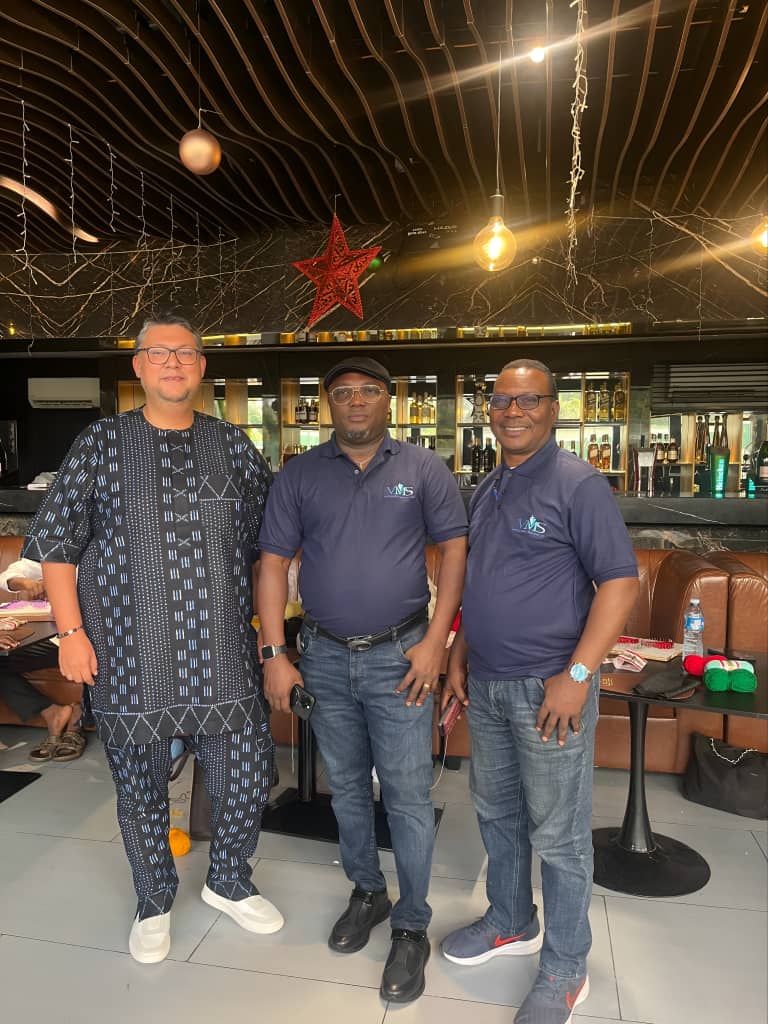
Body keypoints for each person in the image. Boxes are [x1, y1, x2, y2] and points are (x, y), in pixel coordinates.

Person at [23, 313, 282, 964]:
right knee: (139, 789)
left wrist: (271, 637)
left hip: (223, 651)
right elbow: (57, 546)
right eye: (158, 353)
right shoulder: (102, 442)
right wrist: (70, 634)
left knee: (246, 778)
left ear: (202, 366)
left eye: (185, 353)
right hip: (129, 651)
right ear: (137, 366)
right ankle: (154, 899)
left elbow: (271, 546)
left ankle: (229, 880)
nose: (172, 363)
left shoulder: (233, 445)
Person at [257, 357, 467, 1004]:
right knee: (345, 786)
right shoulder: (299, 474)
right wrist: (274, 652)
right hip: (321, 654)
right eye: (342, 391)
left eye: (368, 391)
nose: (355, 401)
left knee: (405, 794)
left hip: (401, 657)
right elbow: (272, 564)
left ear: (389, 401)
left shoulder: (423, 469)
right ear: (328, 402)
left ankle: (411, 924)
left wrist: (436, 644)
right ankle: (368, 891)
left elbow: (455, 550)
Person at [440, 359, 639, 1024]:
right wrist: (460, 655)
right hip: (490, 683)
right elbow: (483, 582)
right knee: (496, 814)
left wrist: (577, 676)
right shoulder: (489, 485)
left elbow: (620, 584)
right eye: (502, 400)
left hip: (549, 689)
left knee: (558, 836)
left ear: (554, 409)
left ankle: (565, 966)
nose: (513, 411)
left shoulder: (578, 484)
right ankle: (509, 919)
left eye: (528, 400)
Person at [0, 571, 85, 762]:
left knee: (102, 651)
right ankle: (52, 712)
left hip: (93, 632)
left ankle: (79, 718)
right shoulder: (46, 555)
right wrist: (25, 583)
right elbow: (9, 576)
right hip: (54, 636)